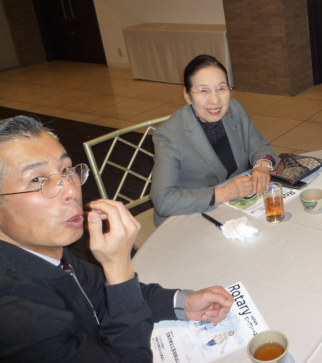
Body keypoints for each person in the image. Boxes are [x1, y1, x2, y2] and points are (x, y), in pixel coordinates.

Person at [0, 115, 234, 363]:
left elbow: (100, 294)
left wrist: (182, 302)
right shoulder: (15, 318)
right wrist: (119, 266)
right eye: (37, 179)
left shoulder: (43, 248)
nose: (70, 189)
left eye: (66, 170)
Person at [151, 54, 278, 225]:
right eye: (204, 91)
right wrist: (224, 193)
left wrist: (262, 166)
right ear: (187, 95)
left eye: (221, 88)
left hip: (234, 208)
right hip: (188, 216)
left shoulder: (235, 110)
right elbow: (163, 201)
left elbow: (260, 146)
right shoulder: (170, 135)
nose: (215, 100)